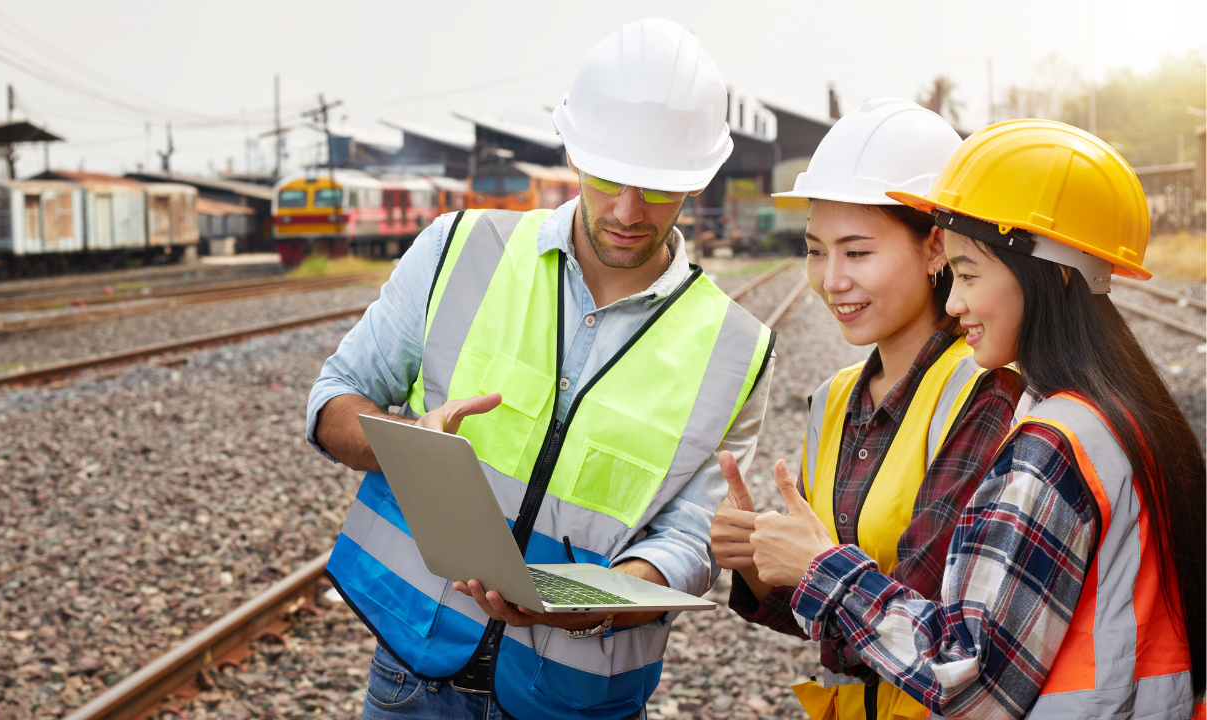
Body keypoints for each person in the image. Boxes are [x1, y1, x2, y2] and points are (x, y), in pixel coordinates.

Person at [307, 18, 775, 720]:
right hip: (413, 673)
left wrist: (589, 609)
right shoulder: (459, 249)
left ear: (696, 181)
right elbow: (333, 401)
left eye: (657, 188)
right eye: (610, 178)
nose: (627, 211)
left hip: (576, 696)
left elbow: (688, 540)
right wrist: (410, 445)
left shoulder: (738, 349)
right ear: (575, 153)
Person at [748, 119, 1205, 719]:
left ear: (1052, 274)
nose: (955, 300)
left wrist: (817, 567)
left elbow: (969, 679)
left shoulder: (1053, 445)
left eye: (967, 274)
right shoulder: (1128, 414)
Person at [710, 98, 1024, 720]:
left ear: (936, 248)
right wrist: (757, 561)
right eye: (816, 250)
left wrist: (810, 565)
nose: (831, 280)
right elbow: (824, 615)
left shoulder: (986, 393)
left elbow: (929, 620)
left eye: (857, 253)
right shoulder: (835, 399)